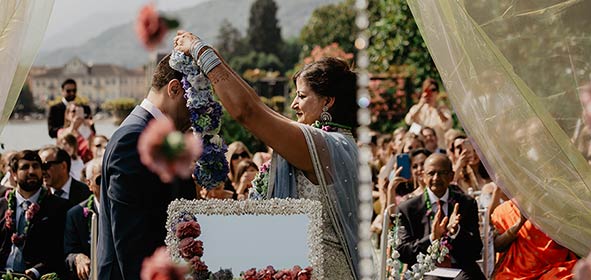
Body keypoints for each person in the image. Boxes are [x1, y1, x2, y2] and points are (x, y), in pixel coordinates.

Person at [174, 31, 362, 279]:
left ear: (327, 102)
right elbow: (258, 105)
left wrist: (199, 49)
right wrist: (213, 56)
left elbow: (249, 112)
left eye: (302, 96)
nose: (294, 104)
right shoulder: (336, 143)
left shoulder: (323, 145)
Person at [97, 54, 197, 280]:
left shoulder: (149, 133)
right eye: (197, 98)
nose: (200, 112)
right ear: (174, 89)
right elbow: (133, 245)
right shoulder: (133, 140)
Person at [396, 154, 484, 279]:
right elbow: (403, 252)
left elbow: (476, 250)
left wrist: (456, 232)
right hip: (424, 268)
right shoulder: (407, 209)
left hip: (460, 268)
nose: (436, 178)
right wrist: (432, 238)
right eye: (431, 173)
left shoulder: (466, 203)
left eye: (442, 173)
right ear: (422, 176)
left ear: (451, 176)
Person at [0, 150, 70, 278]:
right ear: (14, 174)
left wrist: (35, 272)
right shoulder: (1, 206)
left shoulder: (59, 208)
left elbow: (60, 251)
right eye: (25, 167)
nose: (31, 171)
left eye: (36, 166)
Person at [491, 198, 578, 279]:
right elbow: (498, 246)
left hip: (552, 267)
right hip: (515, 272)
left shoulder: (553, 206)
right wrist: (520, 223)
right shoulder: (504, 210)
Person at [65, 157, 102, 280]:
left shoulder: (126, 210)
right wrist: (77, 257)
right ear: (89, 184)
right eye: (100, 180)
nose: (107, 185)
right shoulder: (76, 214)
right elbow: (68, 252)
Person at [404, 78, 453, 149]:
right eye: (427, 90)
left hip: (438, 148)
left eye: (433, 90)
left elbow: (447, 126)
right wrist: (421, 104)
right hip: (421, 148)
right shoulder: (417, 108)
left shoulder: (443, 109)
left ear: (437, 92)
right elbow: (408, 120)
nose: (431, 93)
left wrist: (437, 109)